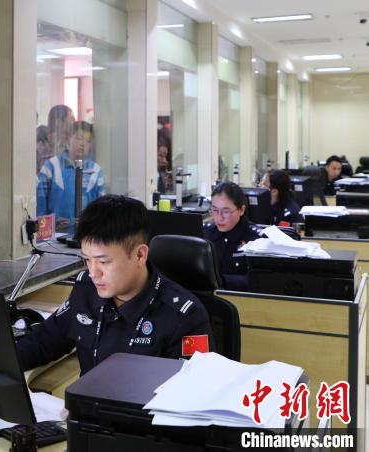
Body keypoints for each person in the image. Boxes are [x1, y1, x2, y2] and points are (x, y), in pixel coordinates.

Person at [16, 195, 214, 375]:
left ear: (140, 255)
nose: (93, 273)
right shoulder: (86, 291)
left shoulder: (185, 317)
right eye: (87, 260)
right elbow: (42, 343)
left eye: (104, 262)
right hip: (85, 403)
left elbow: (191, 392)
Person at [37, 121, 105, 230]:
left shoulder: (95, 171)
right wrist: (43, 232)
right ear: (68, 139)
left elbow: (101, 210)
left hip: (86, 235)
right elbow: (40, 207)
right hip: (55, 236)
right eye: (79, 138)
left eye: (88, 141)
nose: (83, 144)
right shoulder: (51, 166)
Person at [203, 182, 264, 291]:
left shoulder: (256, 239)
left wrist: (221, 281)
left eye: (225, 211)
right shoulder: (206, 233)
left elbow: (258, 281)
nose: (219, 217)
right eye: (215, 210)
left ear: (241, 210)